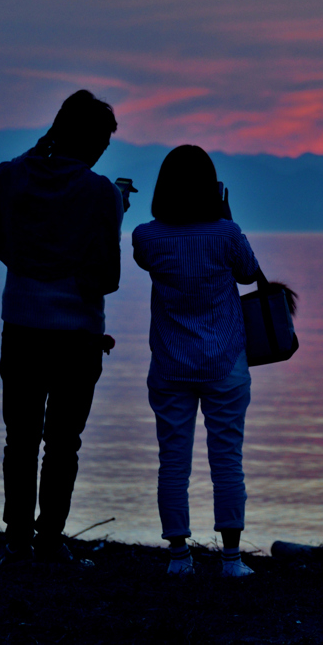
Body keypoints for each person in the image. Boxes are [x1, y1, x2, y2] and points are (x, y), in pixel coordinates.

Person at [0, 90, 130, 567]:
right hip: (77, 335)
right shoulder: (101, 192)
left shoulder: (9, 176)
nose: (103, 152)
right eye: (102, 141)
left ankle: (17, 543)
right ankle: (49, 542)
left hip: (20, 326)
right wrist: (115, 208)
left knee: (19, 439)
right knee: (63, 443)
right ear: (89, 138)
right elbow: (105, 274)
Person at [132, 145, 261, 578]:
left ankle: (178, 557)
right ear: (212, 188)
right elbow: (248, 273)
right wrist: (224, 215)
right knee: (227, 458)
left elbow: (143, 261)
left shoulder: (146, 238)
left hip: (170, 364)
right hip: (225, 362)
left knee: (172, 460)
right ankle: (231, 559)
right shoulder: (226, 234)